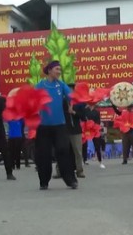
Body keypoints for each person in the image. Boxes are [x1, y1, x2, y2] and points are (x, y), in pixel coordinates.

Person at [34, 61, 78, 190]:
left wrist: (71, 106)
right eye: (57, 69)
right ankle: (44, 182)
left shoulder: (61, 85)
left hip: (60, 126)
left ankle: (70, 180)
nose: (59, 72)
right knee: (44, 155)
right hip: (43, 126)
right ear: (49, 70)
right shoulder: (40, 85)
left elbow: (71, 96)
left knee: (64, 151)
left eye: (60, 69)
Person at [84, 103, 105, 169]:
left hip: (94, 129)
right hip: (86, 129)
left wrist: (93, 125)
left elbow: (98, 121)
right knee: (84, 144)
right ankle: (85, 160)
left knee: (97, 145)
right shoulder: (85, 110)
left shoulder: (96, 111)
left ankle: (100, 161)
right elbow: (83, 118)